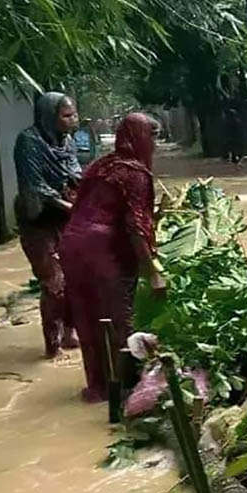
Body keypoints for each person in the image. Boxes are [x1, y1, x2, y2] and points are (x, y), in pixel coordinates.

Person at [59, 114, 165, 403]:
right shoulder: (135, 173)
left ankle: (96, 388)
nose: (154, 144)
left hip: (71, 243)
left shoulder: (100, 165)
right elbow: (134, 225)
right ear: (141, 137)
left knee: (87, 317)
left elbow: (88, 205)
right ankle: (126, 391)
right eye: (153, 136)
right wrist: (153, 271)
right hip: (102, 248)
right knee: (120, 317)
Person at [14, 92, 81, 358]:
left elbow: (75, 174)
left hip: (65, 215)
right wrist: (69, 206)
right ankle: (51, 346)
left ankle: (70, 332)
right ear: (49, 116)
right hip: (38, 219)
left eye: (73, 115)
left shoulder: (68, 142)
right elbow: (35, 186)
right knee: (54, 282)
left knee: (76, 274)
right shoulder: (28, 141)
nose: (73, 121)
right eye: (66, 116)